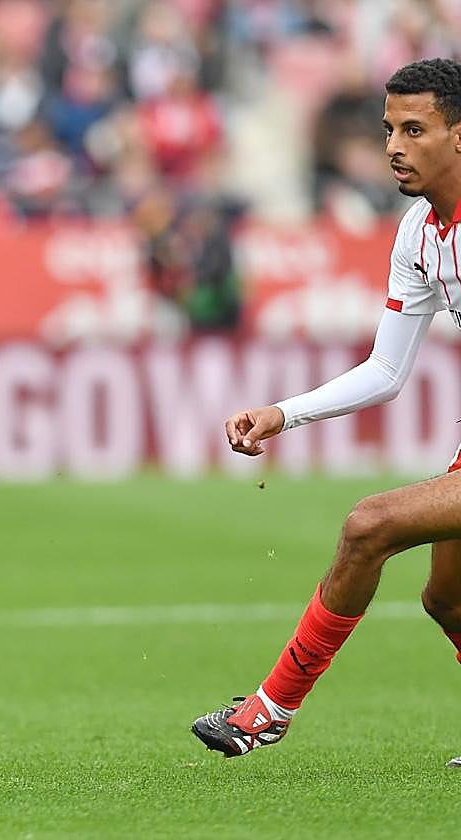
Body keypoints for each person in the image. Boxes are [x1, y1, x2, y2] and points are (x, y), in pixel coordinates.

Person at [192, 57, 461, 761]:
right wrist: (284, 413)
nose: (394, 146)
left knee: (368, 526)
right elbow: (387, 368)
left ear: (459, 136)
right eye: (388, 129)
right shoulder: (419, 233)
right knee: (448, 601)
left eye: (415, 129)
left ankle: (268, 710)